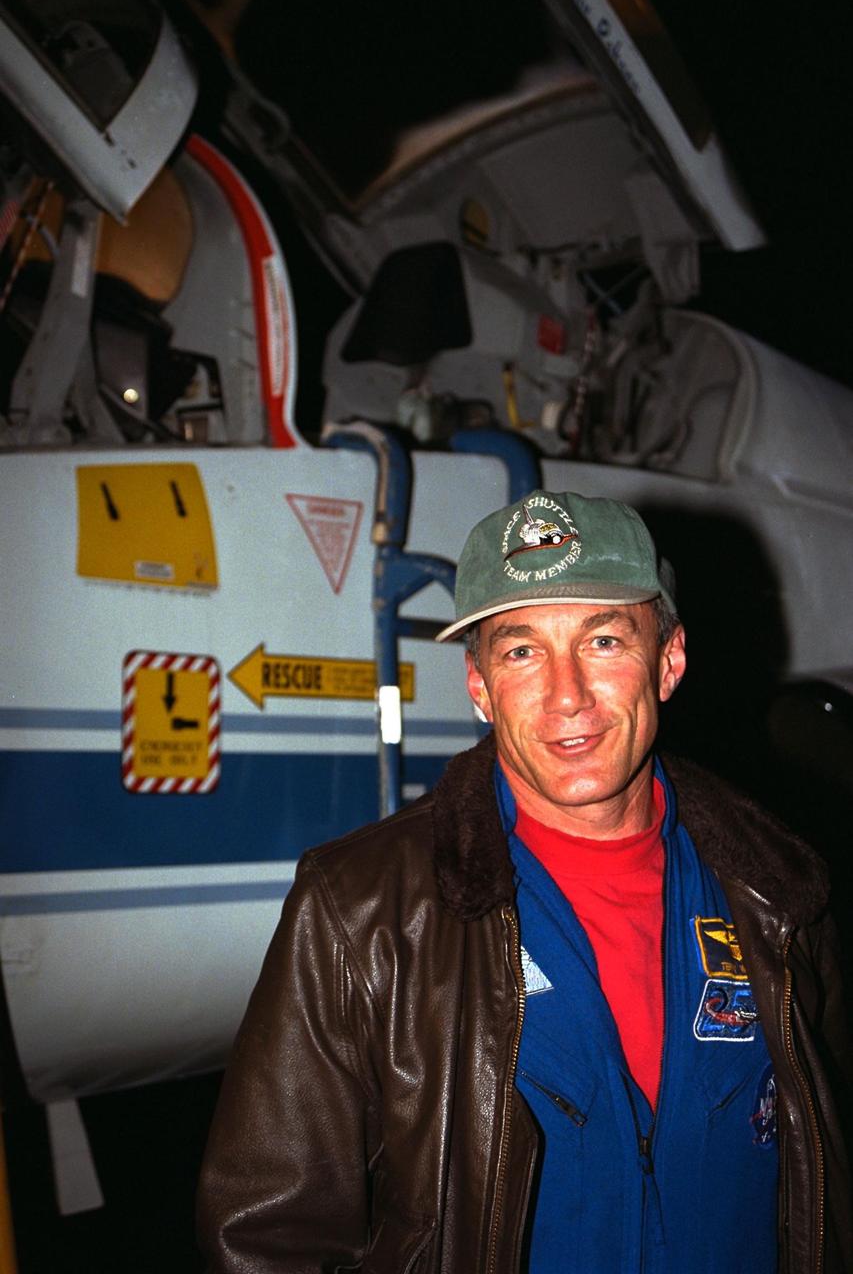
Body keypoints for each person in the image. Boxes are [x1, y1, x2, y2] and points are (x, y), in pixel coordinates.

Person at [197, 488, 852, 1272]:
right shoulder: (359, 911)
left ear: (668, 661)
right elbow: (267, 1237)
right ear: (479, 688)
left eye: (604, 640)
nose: (566, 695)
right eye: (521, 651)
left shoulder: (777, 892)